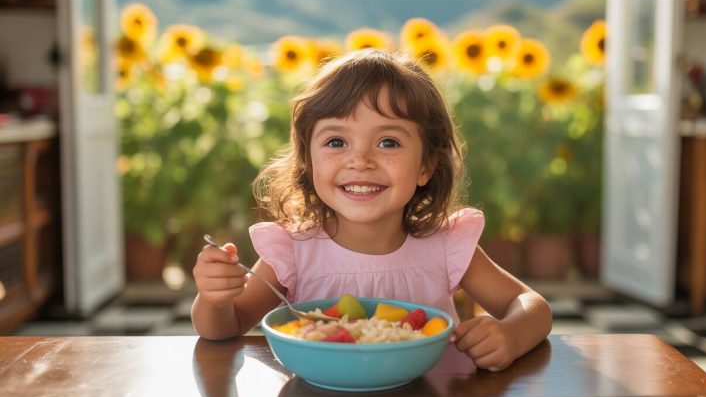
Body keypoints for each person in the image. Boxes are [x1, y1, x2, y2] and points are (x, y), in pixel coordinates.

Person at [191, 49, 552, 371]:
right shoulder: (293, 251)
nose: (360, 160)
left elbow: (532, 306)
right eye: (336, 141)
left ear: (426, 165)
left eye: (388, 142)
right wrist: (214, 299)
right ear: (308, 161)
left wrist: (510, 335)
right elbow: (226, 327)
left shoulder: (445, 246)